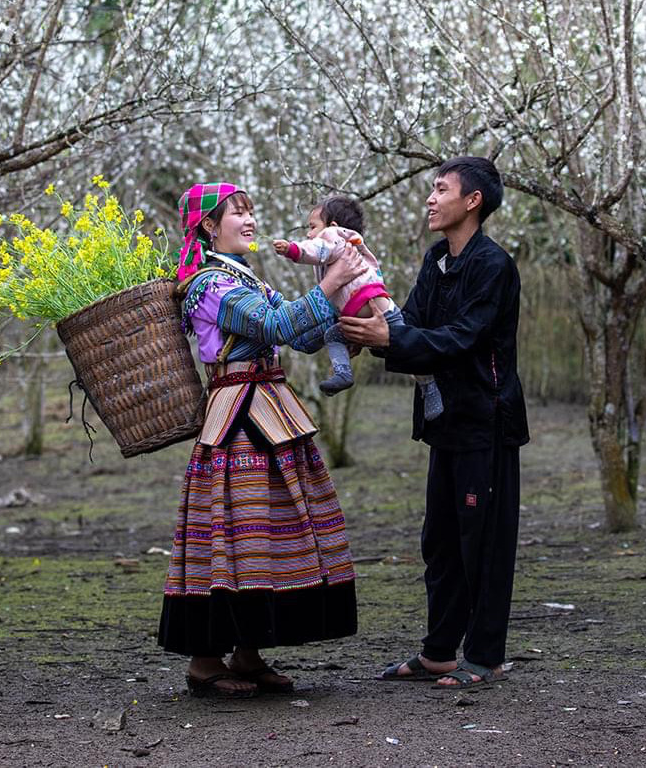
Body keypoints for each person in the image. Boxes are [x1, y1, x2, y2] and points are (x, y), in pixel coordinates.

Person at [160, 182, 365, 699]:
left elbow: (297, 333)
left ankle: (248, 654)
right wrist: (328, 284)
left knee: (267, 532)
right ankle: (205, 661)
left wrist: (349, 307)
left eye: (252, 212)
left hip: (270, 409)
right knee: (233, 532)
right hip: (238, 417)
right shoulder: (210, 284)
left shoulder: (244, 278)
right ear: (209, 226)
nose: (250, 221)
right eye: (238, 214)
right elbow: (275, 324)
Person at [338, 157, 529, 688]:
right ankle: (440, 651)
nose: (429, 199)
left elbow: (461, 339)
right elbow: (414, 324)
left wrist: (391, 340)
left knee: (483, 544)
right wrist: (363, 328)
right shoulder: (436, 258)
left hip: (485, 423)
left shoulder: (493, 266)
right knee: (440, 541)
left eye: (440, 189)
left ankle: (485, 655)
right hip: (445, 424)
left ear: (472, 202)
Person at [272, 195, 441, 416]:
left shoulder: (334, 237)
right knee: (333, 336)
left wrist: (293, 250)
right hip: (356, 316)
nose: (308, 233)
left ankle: (429, 385)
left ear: (333, 226)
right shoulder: (337, 257)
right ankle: (342, 373)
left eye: (312, 226)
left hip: (382, 313)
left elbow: (318, 249)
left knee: (409, 352)